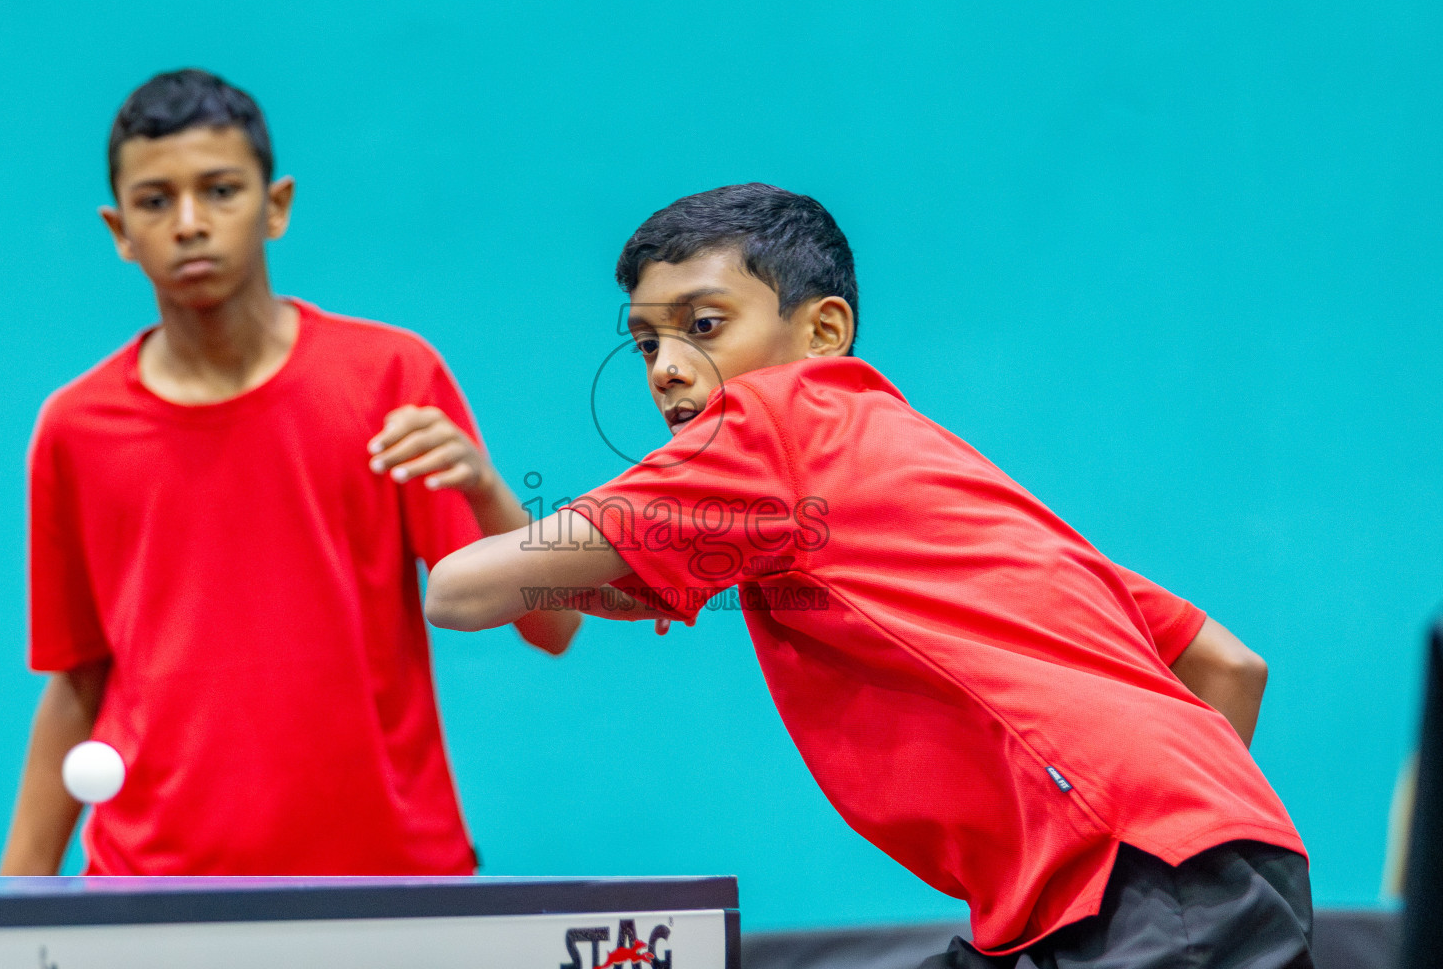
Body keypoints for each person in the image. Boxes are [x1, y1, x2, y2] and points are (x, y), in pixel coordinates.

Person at [423, 184, 1313, 967]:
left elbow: (460, 590)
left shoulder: (768, 424)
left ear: (823, 332)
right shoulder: (915, 473)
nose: (668, 370)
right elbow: (1227, 666)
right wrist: (1190, 832)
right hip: (1167, 875)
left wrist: (1152, 853)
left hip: (1142, 894)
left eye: (703, 326)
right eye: (647, 344)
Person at [0, 69, 578, 876]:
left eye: (221, 190)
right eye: (156, 200)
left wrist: (482, 487)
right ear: (119, 229)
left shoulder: (392, 377)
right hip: (152, 894)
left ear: (276, 205)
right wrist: (3, 917)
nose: (190, 223)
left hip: (391, 884)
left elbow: (554, 624)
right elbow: (76, 684)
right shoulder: (75, 427)